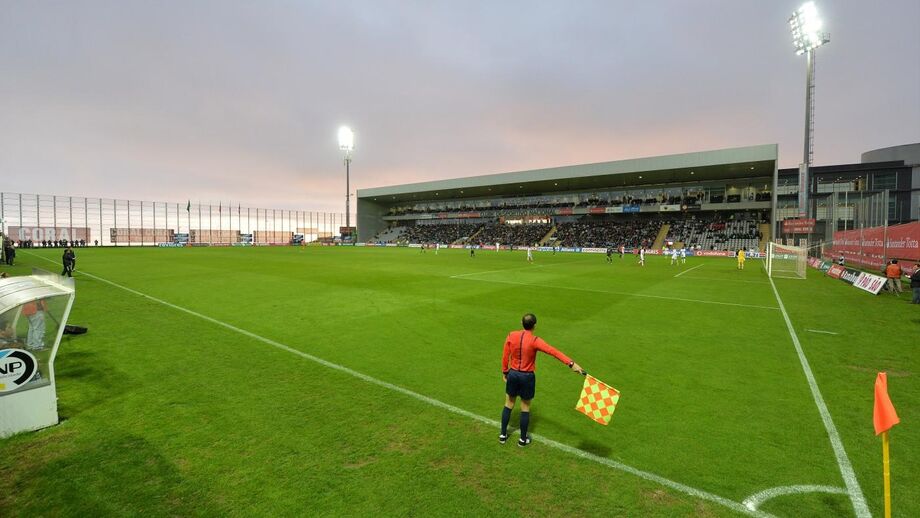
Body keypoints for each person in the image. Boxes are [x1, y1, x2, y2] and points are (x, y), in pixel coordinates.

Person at [500, 313, 583, 447]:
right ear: (534, 326)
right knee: (525, 407)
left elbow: (505, 355)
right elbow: (553, 351)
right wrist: (571, 364)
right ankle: (522, 440)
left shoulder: (511, 335)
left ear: (522, 324)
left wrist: (505, 371)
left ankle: (503, 435)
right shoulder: (535, 340)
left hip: (513, 374)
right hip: (527, 377)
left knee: (509, 403)